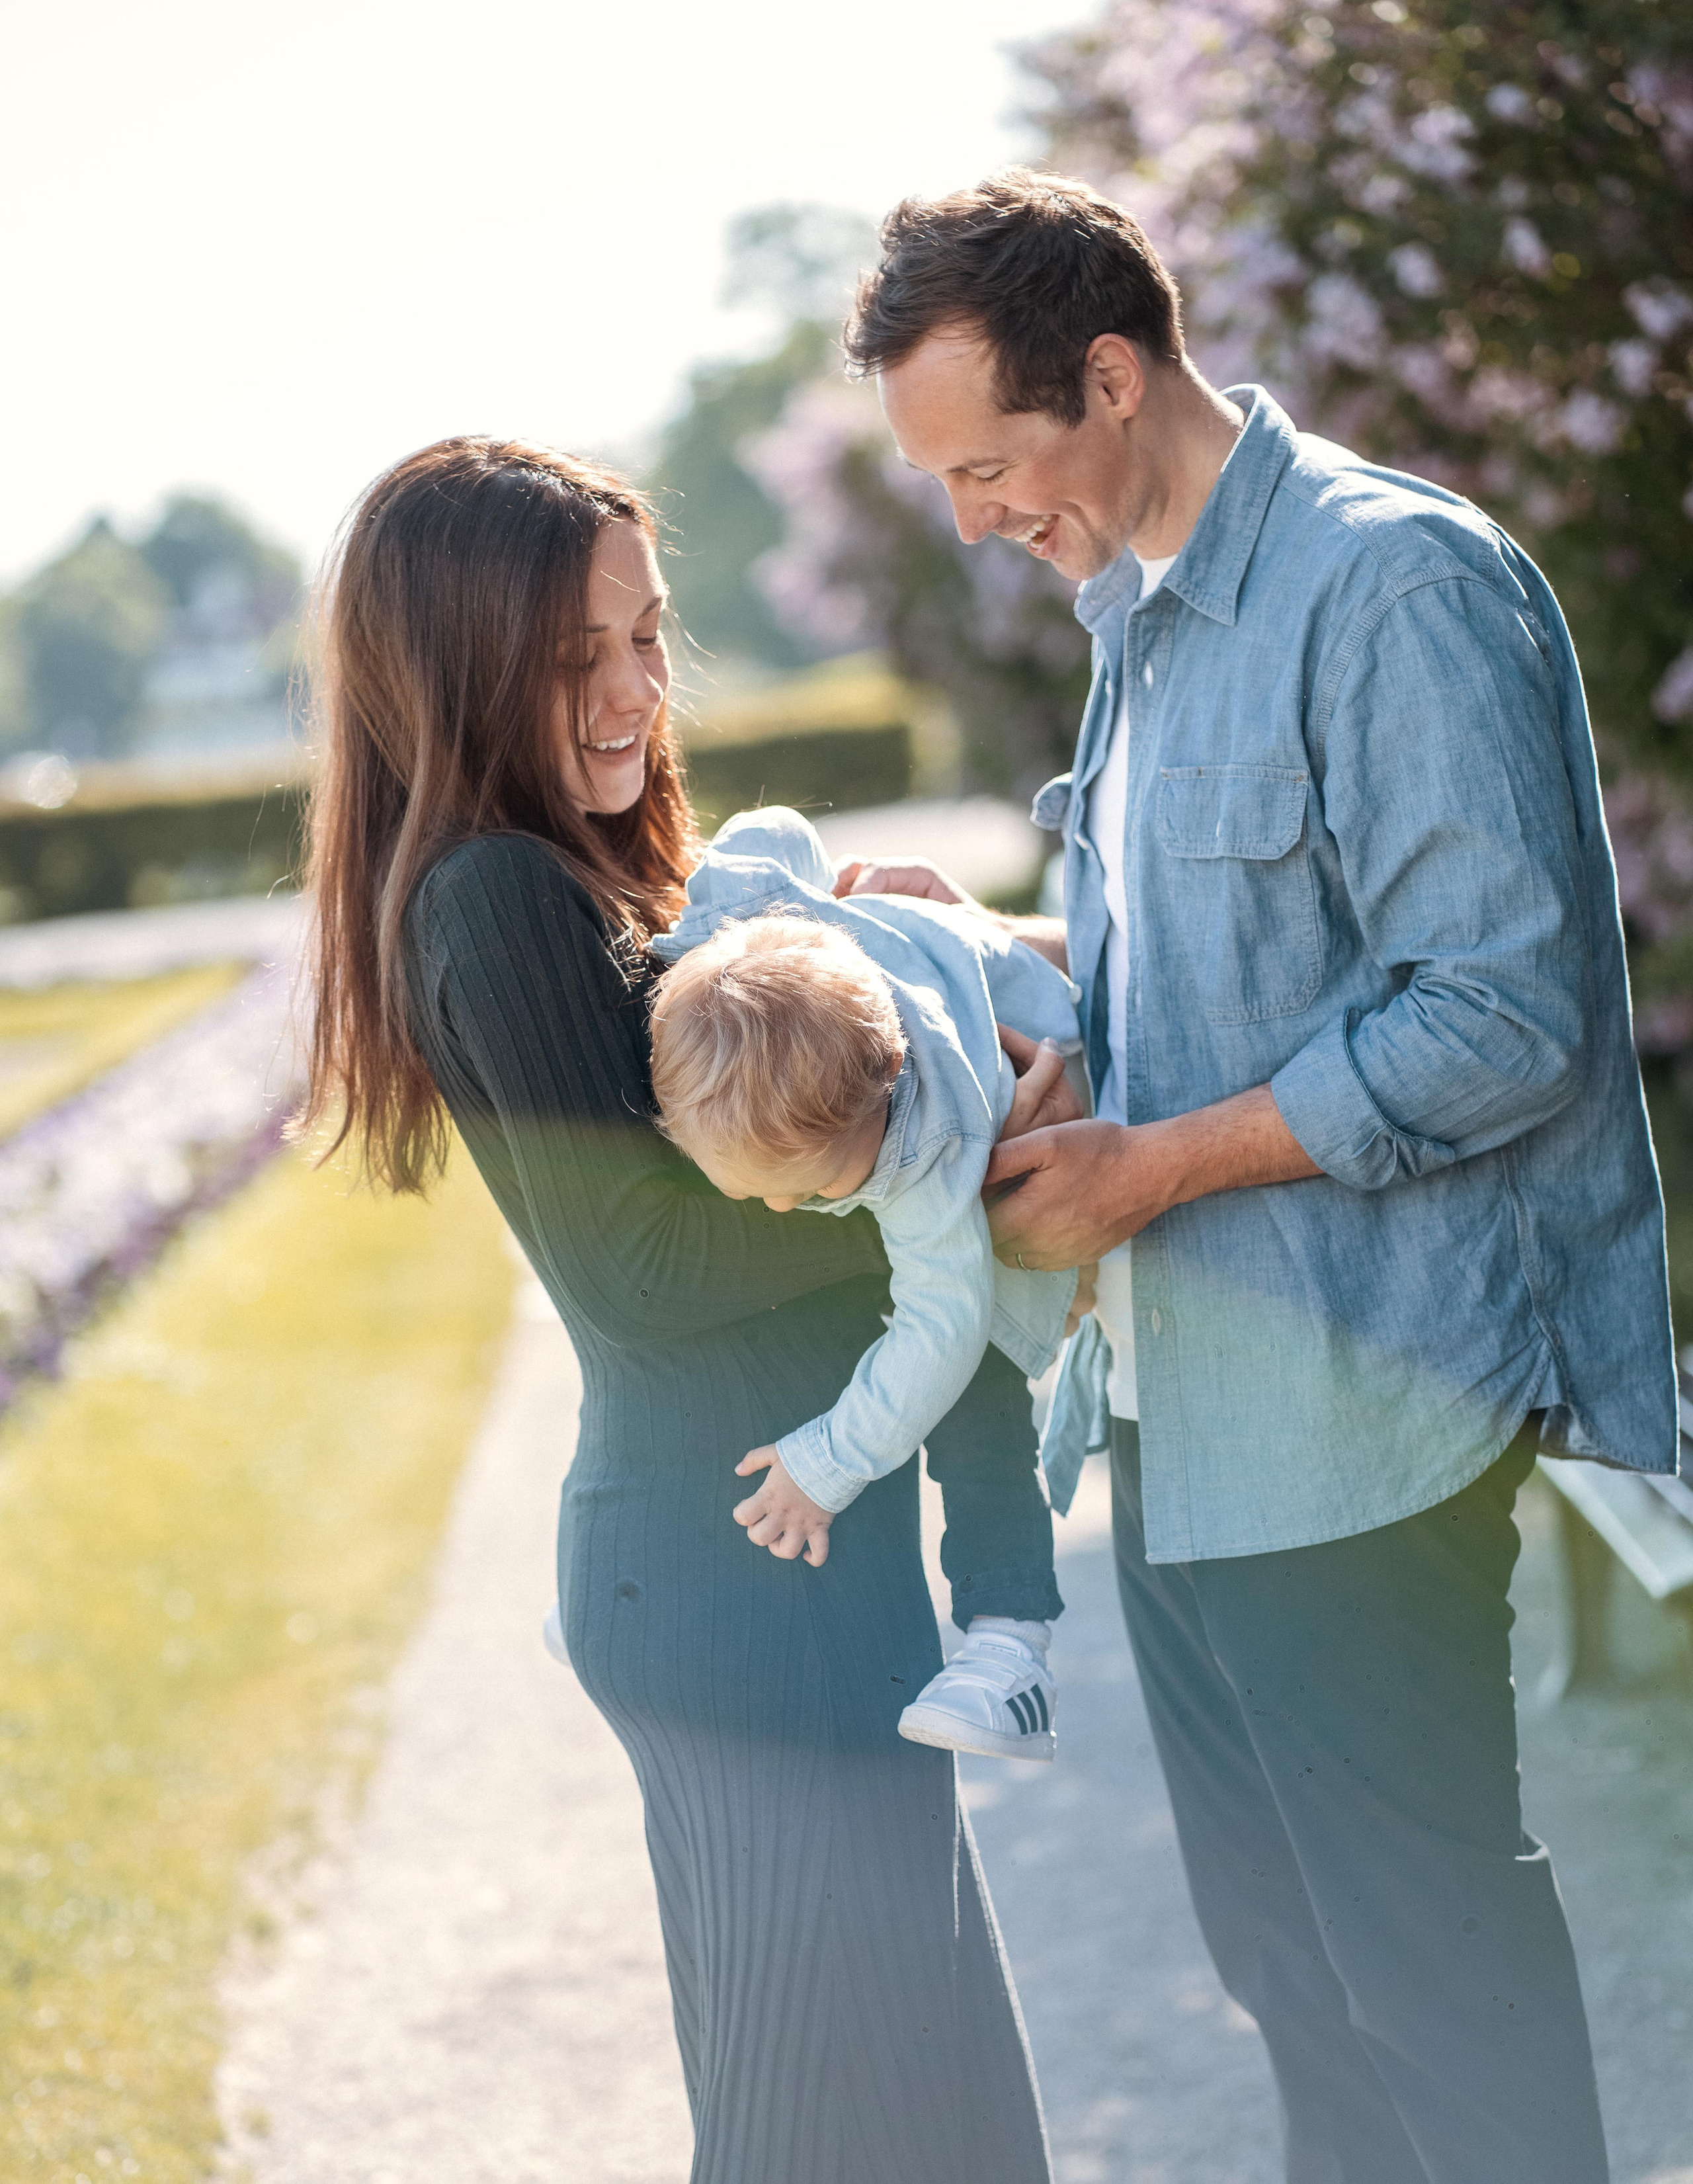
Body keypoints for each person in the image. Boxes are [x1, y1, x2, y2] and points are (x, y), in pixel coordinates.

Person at [837, 169, 1678, 2184]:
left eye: (990, 464)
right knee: (1300, 1988)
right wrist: (999, 956)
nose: (974, 519)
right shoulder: (1139, 613)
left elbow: (1502, 1014)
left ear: (1112, 376)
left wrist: (1151, 1169)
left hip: (1359, 1421)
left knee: (1433, 1990)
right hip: (1182, 1428)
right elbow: (1226, 981)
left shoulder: (1393, 590)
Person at [298, 436, 1060, 2184]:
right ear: (461, 672)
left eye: (648, 637)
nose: (638, 690)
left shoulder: (592, 874)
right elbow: (636, 1269)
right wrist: (941, 1186)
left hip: (788, 1574)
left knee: (936, 2108)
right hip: (729, 1592)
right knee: (817, 2123)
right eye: (579, 656)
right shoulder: (495, 896)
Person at [647, 802, 1083, 1761]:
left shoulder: (929, 1145)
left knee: (975, 1382)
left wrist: (827, 1464)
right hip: (894, 974)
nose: (778, 1208)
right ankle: (658, 1571)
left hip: (1052, 1079)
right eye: (755, 1188)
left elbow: (942, 1332)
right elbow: (770, 832)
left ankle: (1011, 1647)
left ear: (886, 1088)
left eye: (811, 1189)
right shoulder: (746, 923)